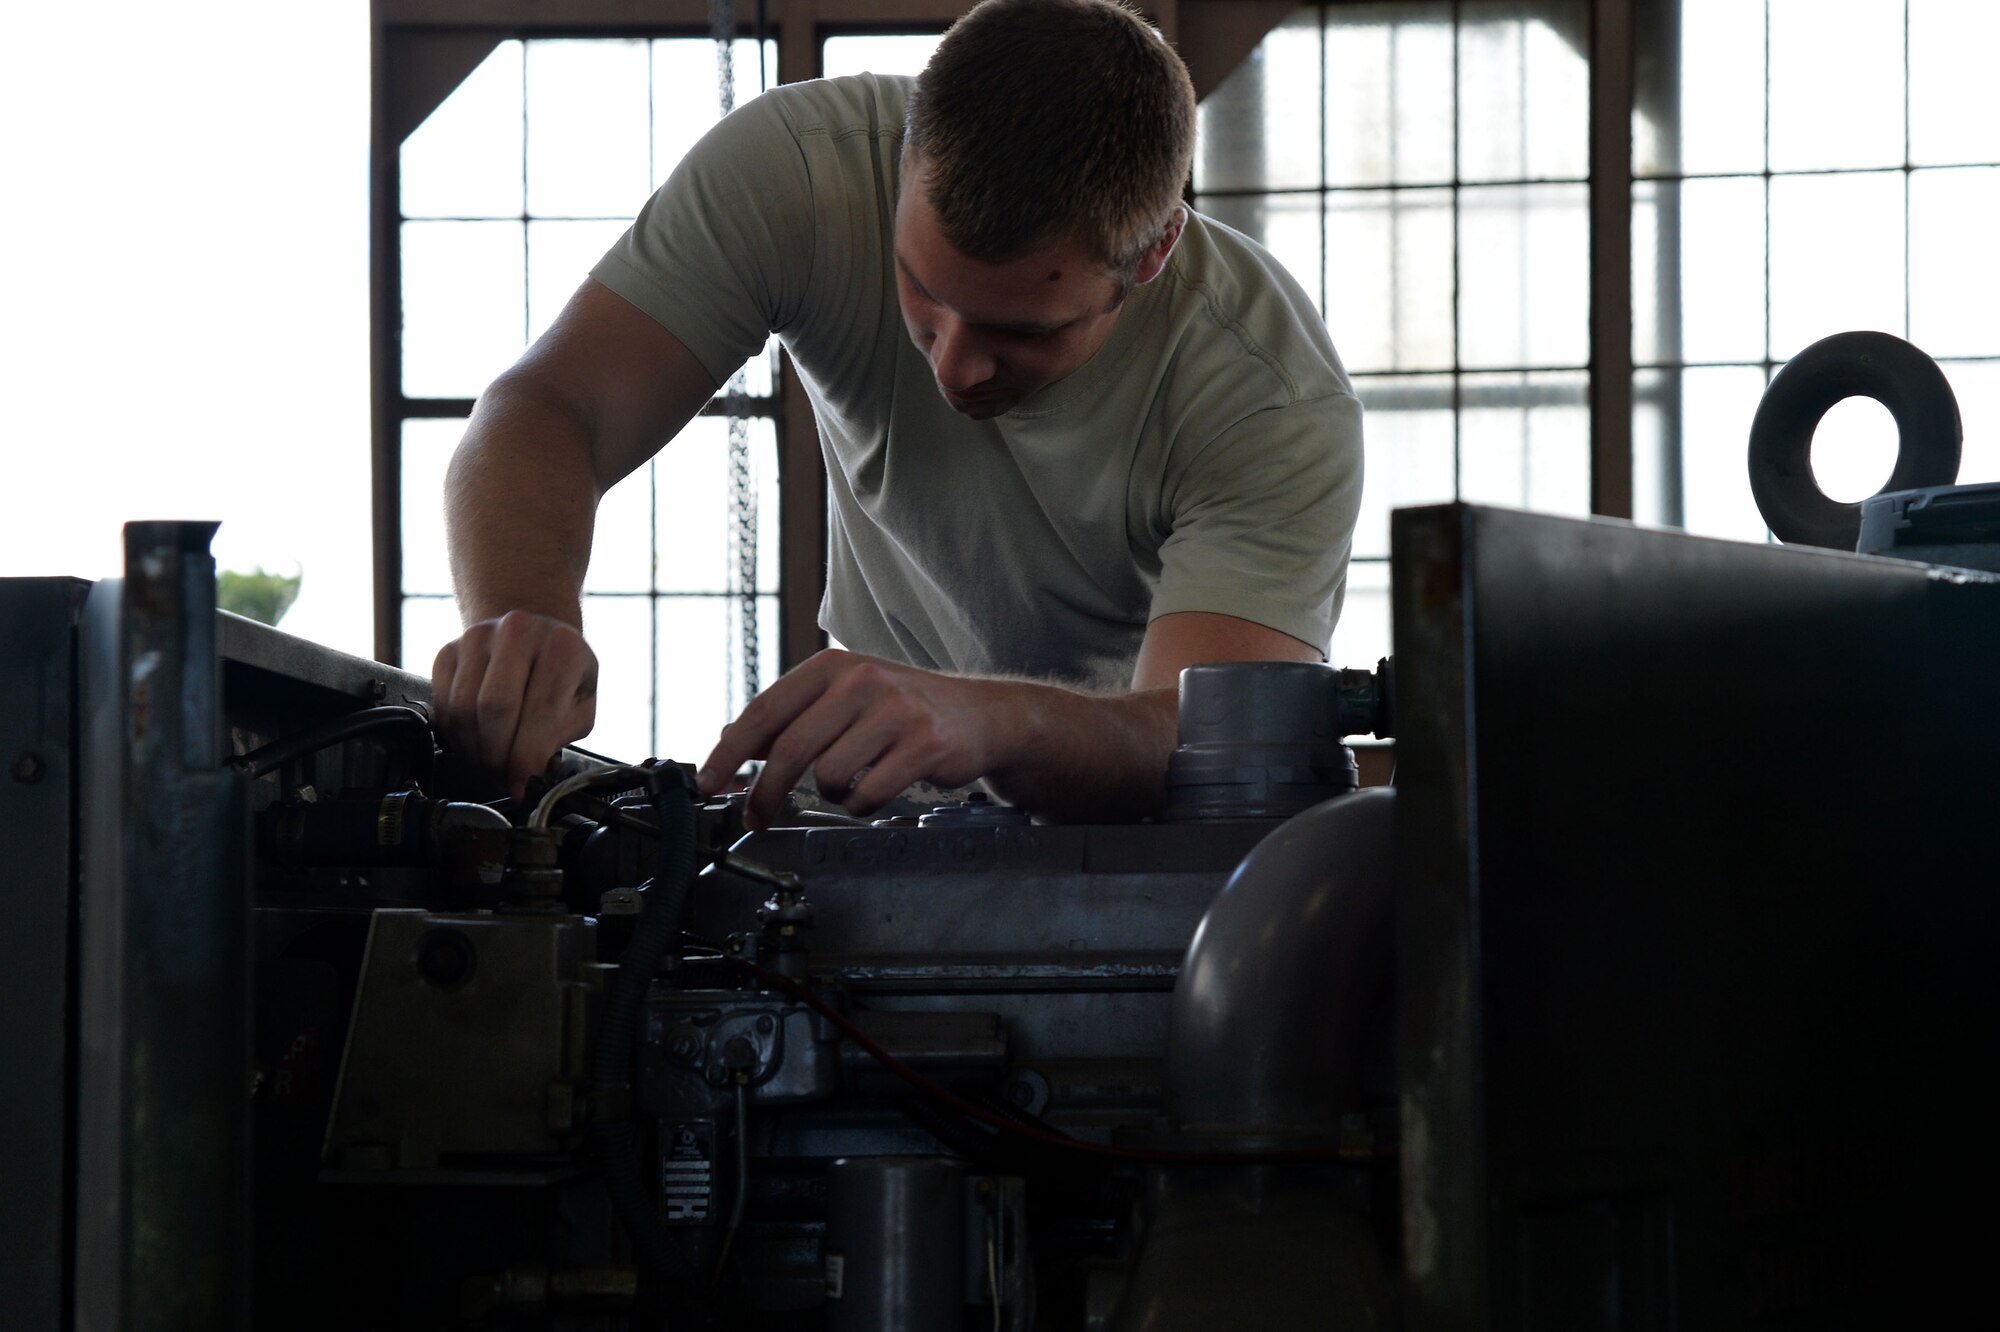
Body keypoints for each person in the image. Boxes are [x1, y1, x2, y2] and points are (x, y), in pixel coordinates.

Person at [431, 0, 1362, 829]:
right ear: (903, 159)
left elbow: (1205, 743)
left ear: (1153, 254)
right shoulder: (801, 175)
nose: (955, 367)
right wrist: (524, 622)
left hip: (1128, 820)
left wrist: (996, 720)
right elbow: (550, 408)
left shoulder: (1266, 396)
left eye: (1019, 332)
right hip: (864, 791)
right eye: (921, 293)